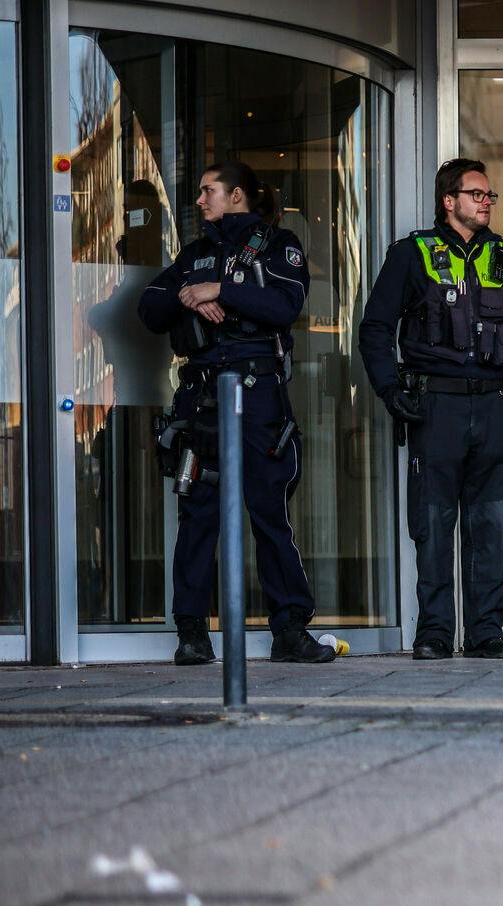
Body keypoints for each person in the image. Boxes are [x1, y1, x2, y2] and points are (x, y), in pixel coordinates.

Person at [138, 160, 336, 665]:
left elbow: (286, 305)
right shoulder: (196, 254)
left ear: (238, 196)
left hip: (257, 394)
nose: (201, 201)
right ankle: (191, 633)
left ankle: (290, 631)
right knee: (198, 515)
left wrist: (221, 291)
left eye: (209, 192)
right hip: (203, 399)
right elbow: (150, 308)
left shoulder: (277, 244)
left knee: (268, 512)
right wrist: (191, 295)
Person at [360, 157, 503, 660]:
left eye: (488, 196)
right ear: (449, 201)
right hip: (435, 404)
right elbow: (375, 328)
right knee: (433, 523)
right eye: (477, 194)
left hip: (493, 406)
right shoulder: (412, 253)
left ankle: (486, 632)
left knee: (490, 521)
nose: (486, 202)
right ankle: (435, 632)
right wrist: (391, 389)